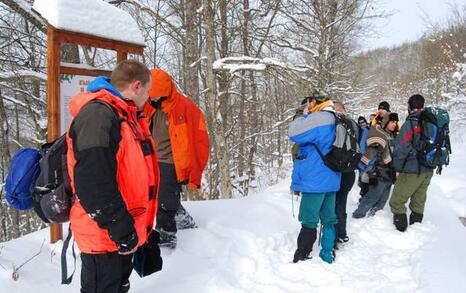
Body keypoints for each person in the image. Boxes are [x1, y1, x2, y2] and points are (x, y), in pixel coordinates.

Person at [67, 60, 159, 293]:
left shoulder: (125, 114)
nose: (148, 98)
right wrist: (121, 229)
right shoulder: (99, 115)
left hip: (119, 234)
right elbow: (93, 182)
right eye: (147, 91)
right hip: (104, 235)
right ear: (137, 86)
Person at [143, 68, 209, 249]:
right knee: (156, 197)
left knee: (164, 201)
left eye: (155, 95)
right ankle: (184, 220)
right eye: (150, 95)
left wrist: (195, 170)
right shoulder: (147, 105)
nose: (153, 98)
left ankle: (167, 239)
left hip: (173, 163)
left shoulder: (185, 108)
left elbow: (200, 142)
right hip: (151, 160)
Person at [288, 90, 340, 264]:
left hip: (315, 180)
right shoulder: (336, 118)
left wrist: (301, 117)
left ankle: (302, 255)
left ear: (316, 101)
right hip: (331, 178)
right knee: (329, 218)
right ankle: (327, 252)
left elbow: (293, 133)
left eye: (309, 102)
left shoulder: (319, 118)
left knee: (309, 219)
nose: (307, 106)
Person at [389, 94, 435, 232]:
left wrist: (397, 168)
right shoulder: (430, 120)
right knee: (419, 200)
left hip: (412, 169)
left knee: (397, 201)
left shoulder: (411, 123)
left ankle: (401, 231)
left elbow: (401, 148)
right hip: (428, 168)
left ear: (409, 106)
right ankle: (417, 230)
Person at [353, 112, 399, 218]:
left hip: (389, 172)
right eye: (392, 122)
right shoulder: (378, 133)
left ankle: (374, 217)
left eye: (396, 122)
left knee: (384, 198)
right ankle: (358, 215)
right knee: (373, 196)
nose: (394, 124)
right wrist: (365, 170)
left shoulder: (392, 135)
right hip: (379, 171)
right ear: (386, 121)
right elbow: (370, 153)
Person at [333, 101, 359, 245]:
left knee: (334, 203)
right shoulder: (353, 124)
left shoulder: (334, 124)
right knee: (341, 202)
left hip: (337, 170)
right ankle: (342, 233)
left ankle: (335, 236)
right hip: (350, 171)